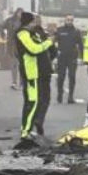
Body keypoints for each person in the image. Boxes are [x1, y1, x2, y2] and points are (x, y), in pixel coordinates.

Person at [14, 12, 54, 145]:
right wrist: (48, 43)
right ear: (28, 22)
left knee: (33, 102)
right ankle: (26, 132)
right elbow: (33, 49)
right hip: (31, 72)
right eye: (32, 22)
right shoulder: (22, 34)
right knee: (33, 102)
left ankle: (27, 129)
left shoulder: (32, 33)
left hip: (37, 72)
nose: (34, 24)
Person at [54, 15, 82, 104]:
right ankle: (60, 94)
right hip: (62, 57)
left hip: (72, 57)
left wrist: (81, 57)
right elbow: (53, 42)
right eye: (68, 20)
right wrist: (54, 56)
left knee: (72, 76)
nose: (69, 21)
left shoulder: (76, 31)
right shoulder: (60, 30)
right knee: (61, 77)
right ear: (65, 20)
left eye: (71, 20)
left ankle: (70, 97)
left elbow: (80, 45)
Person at [1, 7, 23, 89]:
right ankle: (14, 82)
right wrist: (2, 34)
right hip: (12, 45)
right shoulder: (10, 21)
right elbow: (1, 26)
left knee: (21, 64)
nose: (20, 14)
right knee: (14, 64)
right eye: (19, 13)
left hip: (22, 45)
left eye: (22, 13)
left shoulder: (25, 22)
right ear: (16, 13)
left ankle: (22, 82)